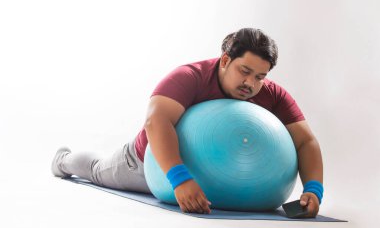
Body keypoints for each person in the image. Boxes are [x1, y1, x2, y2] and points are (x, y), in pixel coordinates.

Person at [51, 28, 324, 217]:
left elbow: (305, 140)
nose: (251, 83)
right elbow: (156, 121)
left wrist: (313, 190)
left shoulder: (272, 94)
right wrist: (179, 180)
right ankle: (63, 160)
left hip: (223, 183)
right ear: (226, 60)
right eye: (245, 71)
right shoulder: (189, 77)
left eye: (260, 76)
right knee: (99, 170)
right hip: (148, 164)